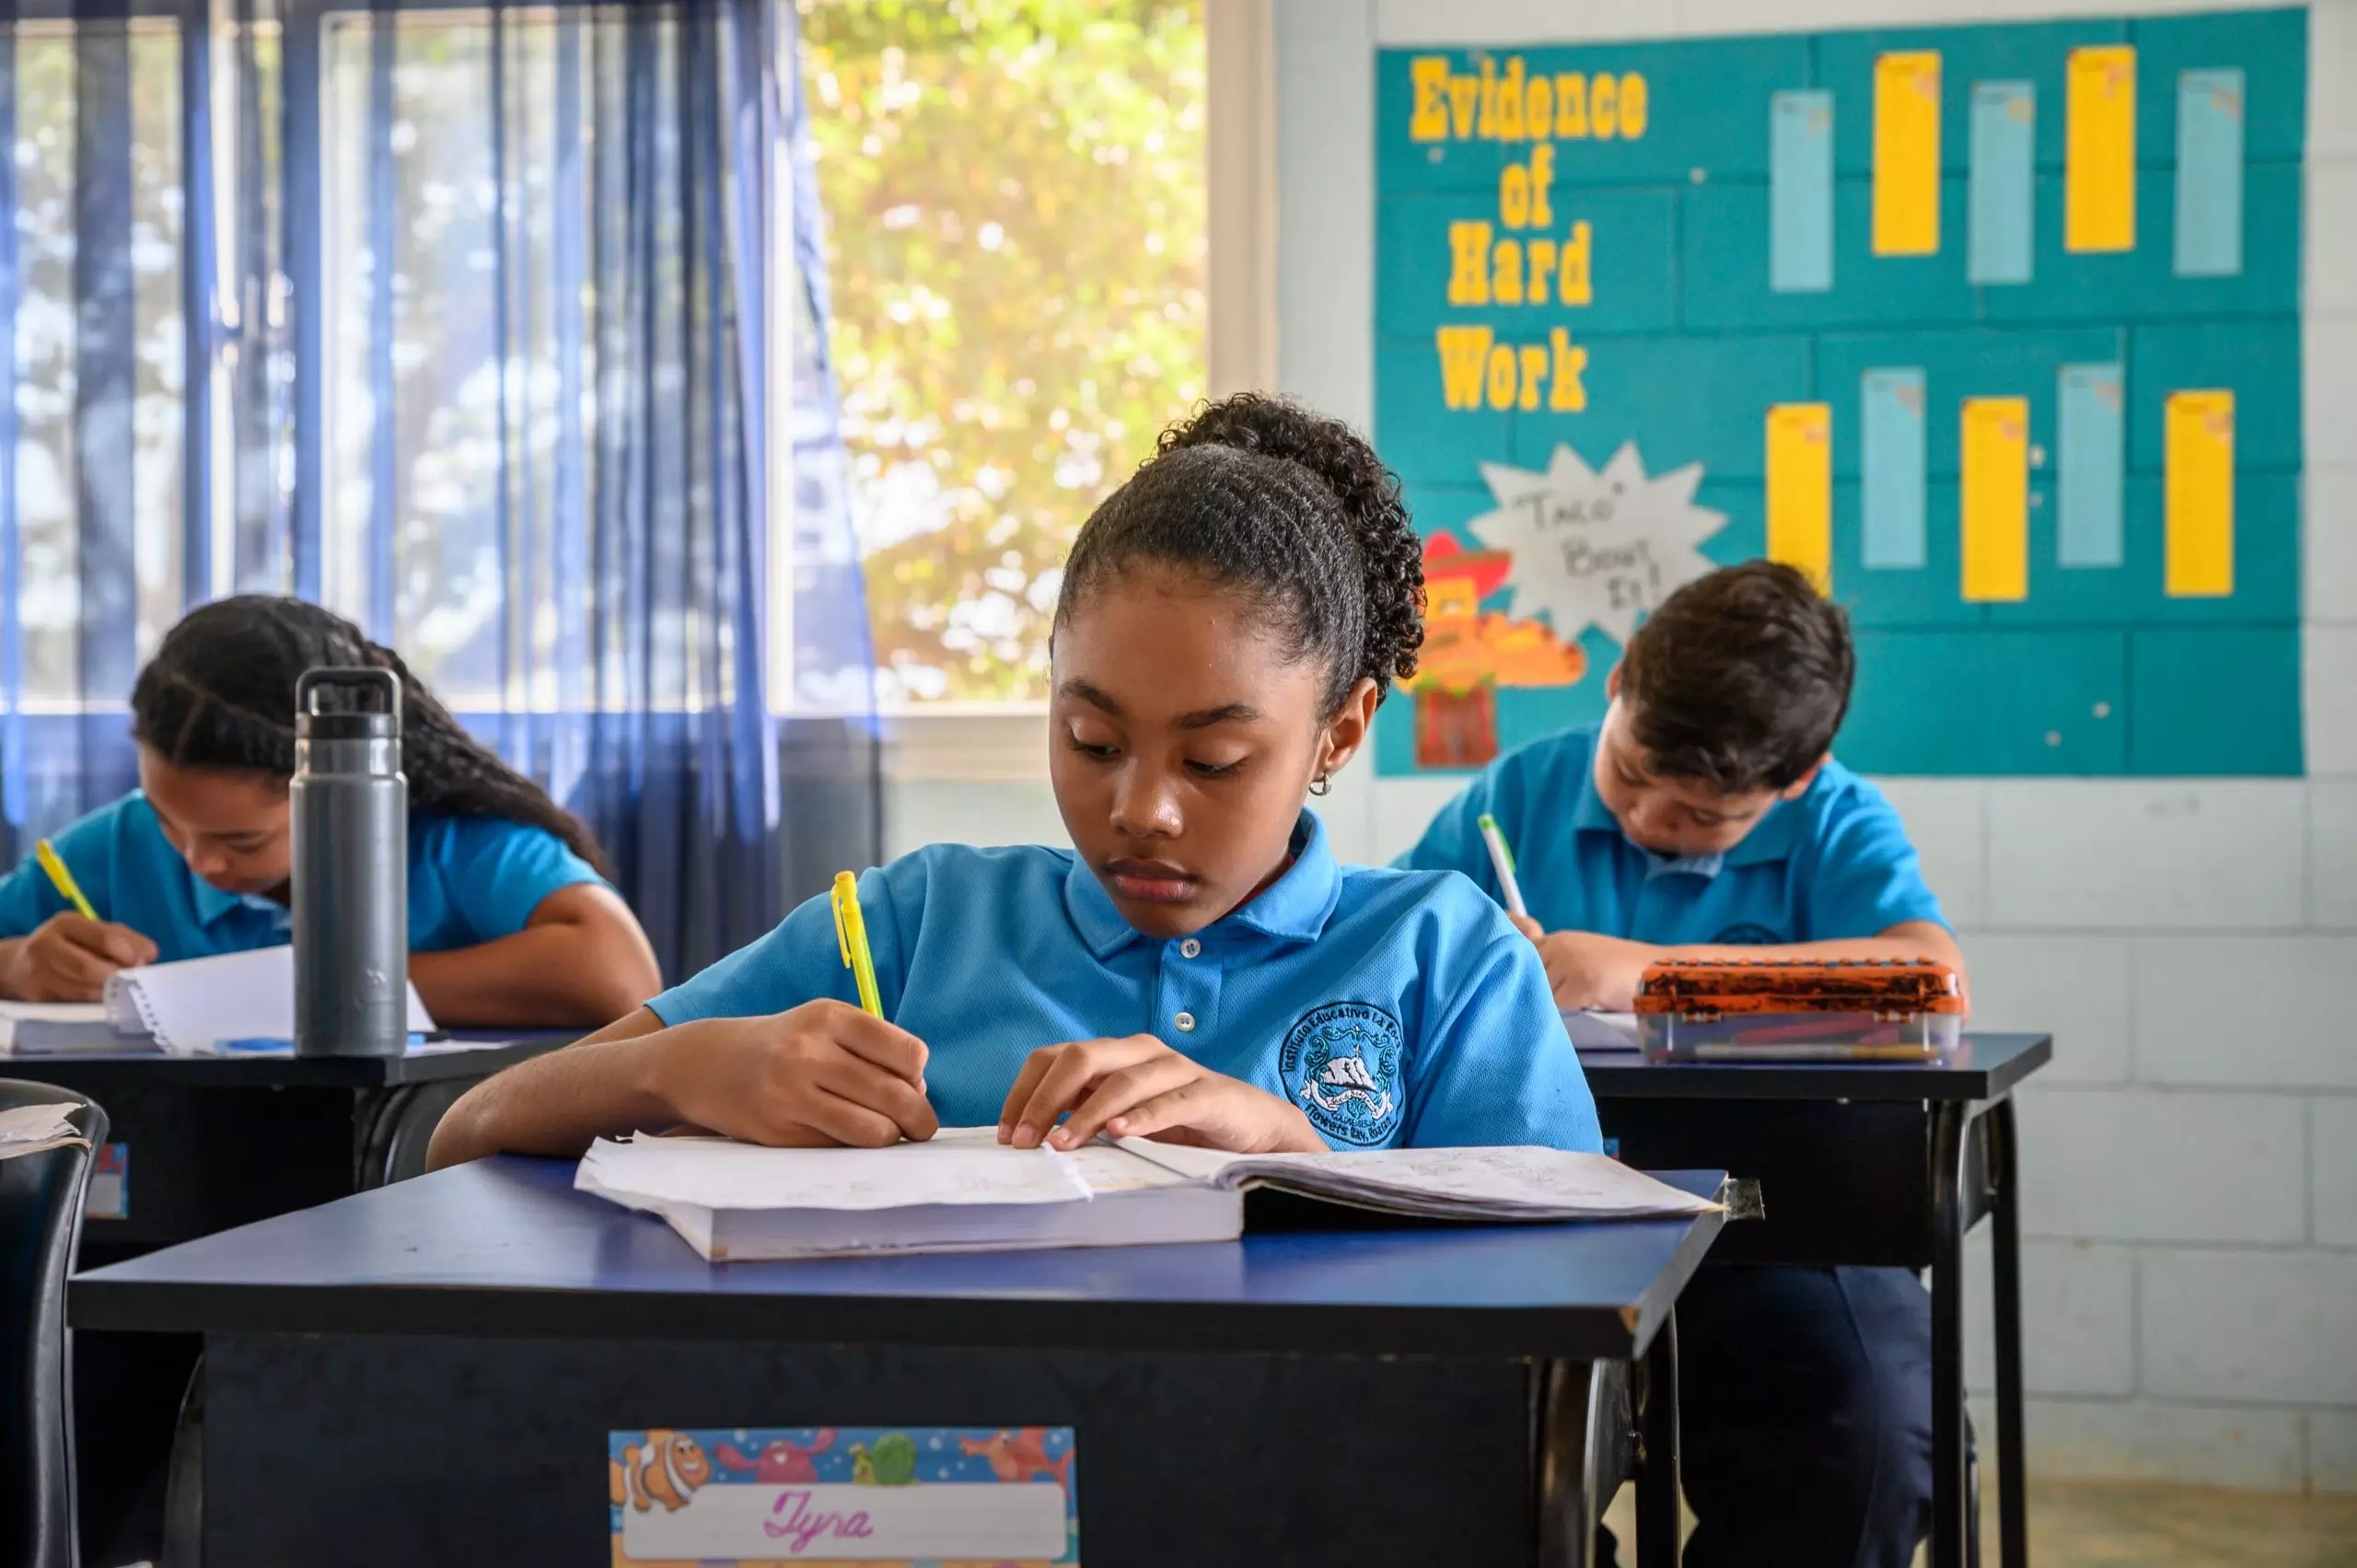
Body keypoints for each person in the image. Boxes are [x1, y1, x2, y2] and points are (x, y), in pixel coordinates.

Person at [427, 393, 1599, 1170]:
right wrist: (678, 1068)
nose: (1142, 806)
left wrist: (1295, 1158)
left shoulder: (1447, 954)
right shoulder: (913, 924)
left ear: (1339, 733)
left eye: (1213, 760)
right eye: (1091, 740)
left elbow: (1584, 1280)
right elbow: (466, 1131)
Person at [1396, 559, 1963, 1568]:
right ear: (1616, 684)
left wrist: (1646, 974)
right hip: (1544, 1207)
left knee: (1864, 1431)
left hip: (1778, 1226)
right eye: (1629, 774)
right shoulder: (1516, 792)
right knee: (1448, 1435)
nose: (1652, 821)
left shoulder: (1832, 816)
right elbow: (1387, 956)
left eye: (1704, 817)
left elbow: (1923, 976)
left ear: (1792, 778)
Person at [0, 596, 661, 1028]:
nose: (200, 861)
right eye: (172, 821)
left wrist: (303, 985)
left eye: (243, 839)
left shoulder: (452, 843)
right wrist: (21, 964)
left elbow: (619, 976)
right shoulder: (118, 846)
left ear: (341, 784)